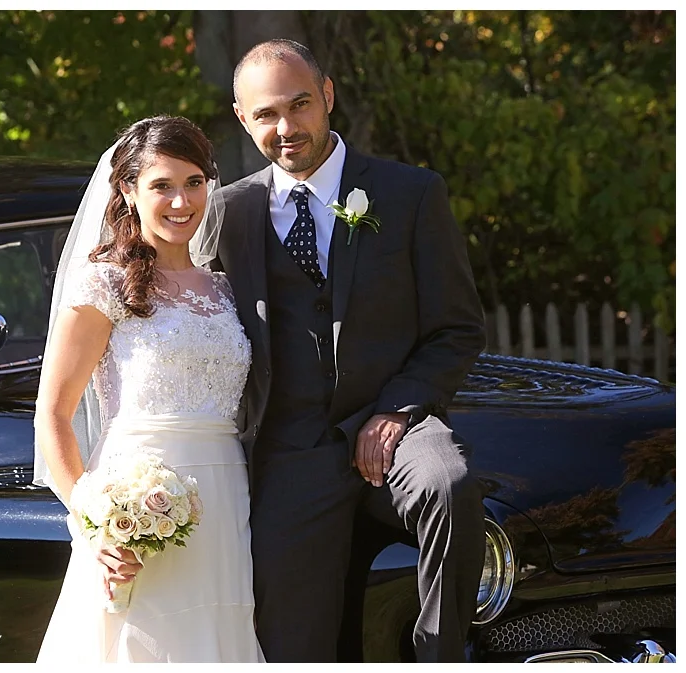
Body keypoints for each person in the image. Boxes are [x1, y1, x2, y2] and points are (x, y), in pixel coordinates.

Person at [212, 39, 488, 662]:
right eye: (266, 115)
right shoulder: (230, 212)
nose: (287, 128)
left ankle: (440, 654)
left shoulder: (411, 193)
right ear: (242, 118)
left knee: (452, 483)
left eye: (300, 104)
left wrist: (398, 409)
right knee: (290, 644)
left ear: (328, 94)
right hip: (291, 449)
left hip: (396, 424)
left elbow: (457, 328)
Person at [33, 115, 264, 663]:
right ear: (128, 191)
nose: (181, 201)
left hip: (226, 501)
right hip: (140, 504)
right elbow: (53, 414)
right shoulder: (103, 284)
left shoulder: (228, 290)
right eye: (162, 185)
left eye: (193, 183)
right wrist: (94, 521)